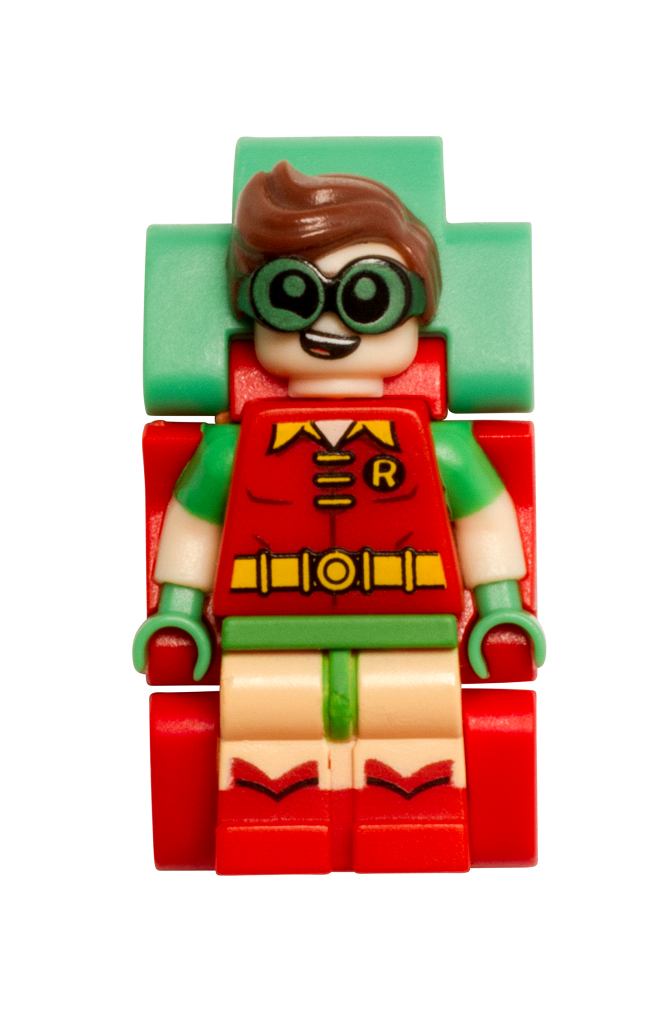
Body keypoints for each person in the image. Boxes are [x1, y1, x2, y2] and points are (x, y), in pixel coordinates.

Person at [134, 161, 545, 873]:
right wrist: (178, 612)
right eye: (292, 295)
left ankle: (415, 826)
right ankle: (269, 828)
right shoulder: (232, 450)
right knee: (266, 733)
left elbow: (484, 514)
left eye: (367, 295)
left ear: (416, 307)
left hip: (409, 622)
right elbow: (195, 521)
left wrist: (502, 604)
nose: (328, 324)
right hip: (267, 628)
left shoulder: (439, 448)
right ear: (254, 308)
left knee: (414, 730)